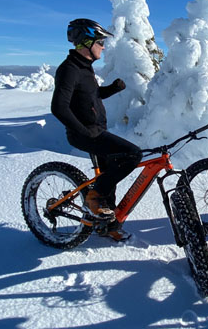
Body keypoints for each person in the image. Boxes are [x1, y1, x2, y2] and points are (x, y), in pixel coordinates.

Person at [51, 18, 142, 223]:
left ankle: (106, 224)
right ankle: (93, 198)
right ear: (86, 42)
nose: (103, 47)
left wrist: (112, 89)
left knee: (110, 175)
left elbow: (90, 96)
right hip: (83, 134)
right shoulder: (69, 69)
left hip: (95, 130)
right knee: (133, 154)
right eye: (100, 42)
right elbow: (58, 107)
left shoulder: (84, 67)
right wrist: (84, 131)